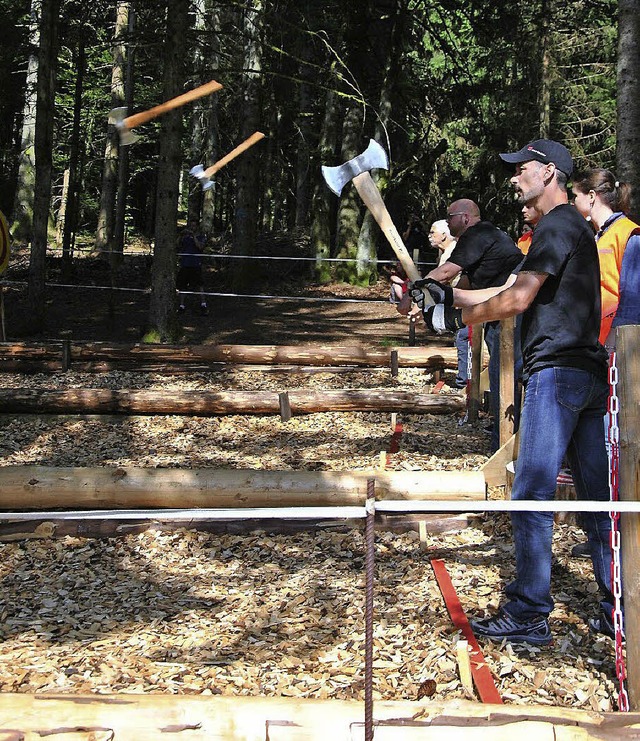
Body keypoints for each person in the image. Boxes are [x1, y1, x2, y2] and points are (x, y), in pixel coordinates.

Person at [420, 139, 615, 644]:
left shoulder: (557, 224)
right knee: (597, 497)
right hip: (585, 375)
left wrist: (457, 316)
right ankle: (619, 606)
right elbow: (505, 289)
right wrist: (437, 293)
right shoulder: (567, 229)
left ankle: (528, 612)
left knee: (531, 491)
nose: (514, 178)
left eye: (521, 169)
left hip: (558, 373)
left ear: (550, 173)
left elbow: (518, 299)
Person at [404, 199, 523, 450]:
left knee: (506, 374)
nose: (447, 221)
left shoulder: (478, 234)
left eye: (450, 216)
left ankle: (507, 440)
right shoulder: (483, 239)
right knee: (499, 372)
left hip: (512, 313)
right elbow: (464, 285)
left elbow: (446, 273)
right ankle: (503, 434)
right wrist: (434, 310)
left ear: (466, 218)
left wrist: (412, 293)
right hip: (499, 312)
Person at [572, 168, 640, 348]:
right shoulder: (597, 237)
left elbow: (632, 299)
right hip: (595, 337)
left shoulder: (628, 233)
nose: (572, 203)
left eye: (575, 196)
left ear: (592, 196)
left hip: (617, 341)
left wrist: (619, 343)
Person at [177, 226, 208, 315]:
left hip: (195, 264)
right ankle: (181, 306)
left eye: (194, 226)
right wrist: (181, 234)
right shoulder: (184, 238)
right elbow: (177, 244)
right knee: (182, 286)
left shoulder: (201, 237)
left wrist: (194, 236)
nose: (192, 228)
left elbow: (200, 247)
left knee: (200, 285)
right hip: (185, 264)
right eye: (191, 225)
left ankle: (203, 305)